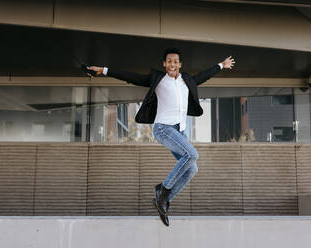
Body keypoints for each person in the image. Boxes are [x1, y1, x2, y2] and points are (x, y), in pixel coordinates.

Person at [87, 48, 235, 226]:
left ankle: (163, 197)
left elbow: (205, 75)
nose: (172, 64)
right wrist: (104, 70)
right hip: (163, 128)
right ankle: (163, 190)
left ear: (180, 65)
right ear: (164, 64)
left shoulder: (187, 81)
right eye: (169, 61)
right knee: (192, 155)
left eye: (175, 61)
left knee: (192, 169)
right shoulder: (158, 79)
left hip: (179, 131)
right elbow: (131, 76)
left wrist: (221, 65)